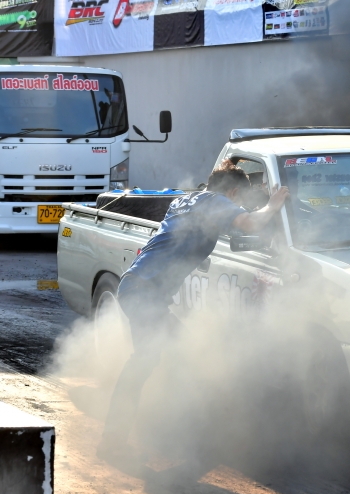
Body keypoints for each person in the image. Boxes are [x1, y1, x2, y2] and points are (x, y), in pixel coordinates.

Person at [97, 160, 290, 462]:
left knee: (165, 358)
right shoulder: (216, 202)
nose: (238, 206)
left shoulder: (187, 200)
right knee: (155, 362)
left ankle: (147, 435)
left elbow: (179, 238)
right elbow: (251, 224)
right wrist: (274, 203)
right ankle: (136, 439)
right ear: (233, 192)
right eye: (239, 200)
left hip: (139, 287)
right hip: (145, 292)